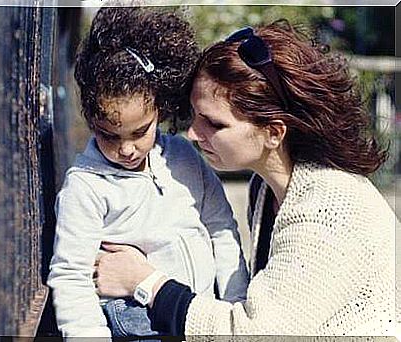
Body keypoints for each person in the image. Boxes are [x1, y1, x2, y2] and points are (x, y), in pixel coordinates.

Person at [95, 19, 398, 335]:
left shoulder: (325, 214)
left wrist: (146, 281)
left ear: (273, 132)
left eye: (214, 124)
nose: (193, 134)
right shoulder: (266, 187)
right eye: (195, 116)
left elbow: (255, 332)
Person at [46, 6, 249, 338]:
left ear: (161, 108)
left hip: (196, 314)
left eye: (140, 131)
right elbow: (71, 276)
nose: (126, 149)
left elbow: (222, 230)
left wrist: (234, 304)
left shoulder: (184, 157)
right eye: (109, 135)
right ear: (90, 120)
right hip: (137, 328)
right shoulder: (85, 186)